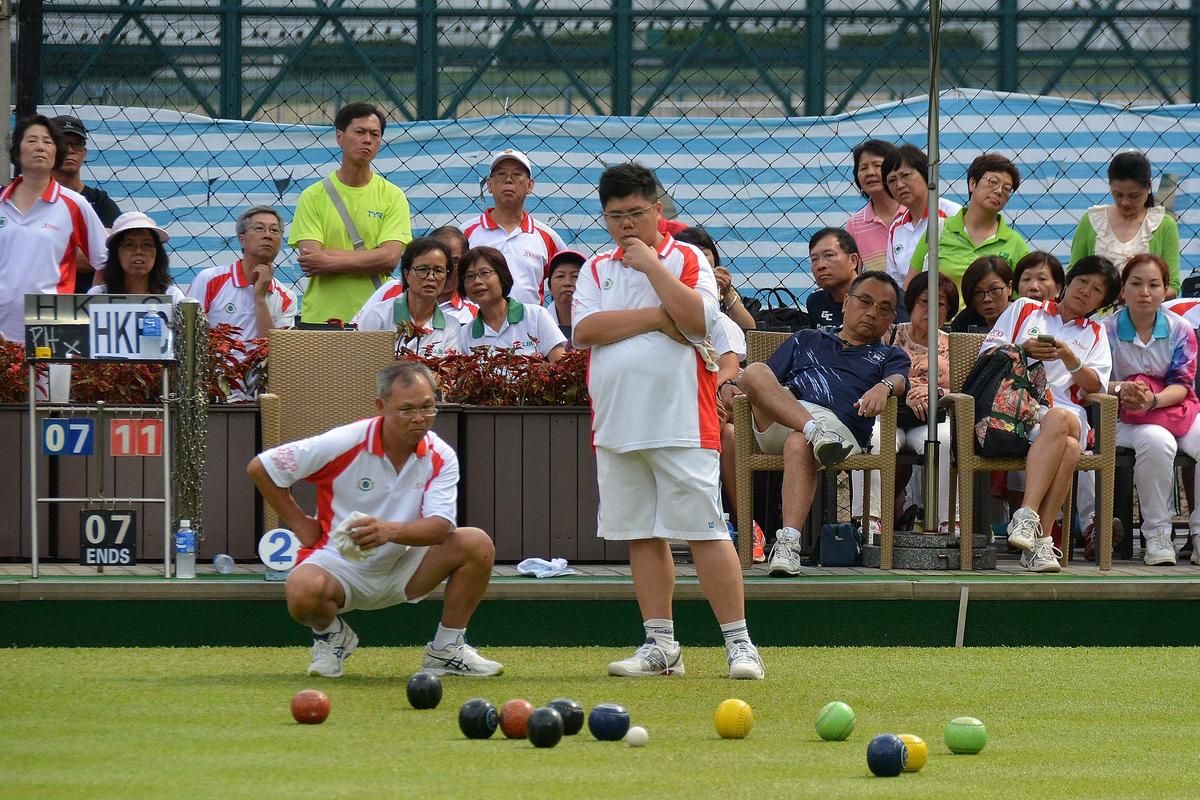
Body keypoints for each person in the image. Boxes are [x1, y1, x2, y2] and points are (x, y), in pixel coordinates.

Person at [573, 162, 765, 680]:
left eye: (637, 213)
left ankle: (740, 644)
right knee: (641, 533)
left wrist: (652, 268)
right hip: (617, 422)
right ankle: (661, 645)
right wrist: (660, 319)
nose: (626, 225)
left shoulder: (687, 258)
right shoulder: (595, 268)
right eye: (616, 216)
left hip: (682, 420)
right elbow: (585, 329)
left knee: (705, 531)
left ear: (657, 209)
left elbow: (698, 320)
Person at [247, 361, 503, 678]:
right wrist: (301, 524)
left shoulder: (441, 455)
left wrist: (388, 531)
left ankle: (446, 650)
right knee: (301, 591)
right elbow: (262, 468)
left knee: (476, 543)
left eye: (427, 407)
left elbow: (440, 528)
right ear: (381, 407)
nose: (419, 418)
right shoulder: (343, 442)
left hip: (404, 566)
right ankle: (331, 636)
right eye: (406, 410)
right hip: (336, 563)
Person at [739, 271, 911, 577]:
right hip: (789, 418)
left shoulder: (889, 355)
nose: (872, 312)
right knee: (753, 372)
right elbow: (764, 382)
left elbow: (900, 380)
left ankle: (788, 545)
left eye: (884, 308)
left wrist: (883, 386)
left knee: (798, 442)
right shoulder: (806, 338)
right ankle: (813, 430)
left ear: (891, 319)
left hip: (840, 428)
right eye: (865, 301)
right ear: (846, 302)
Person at [980, 255, 1119, 572]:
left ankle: (1025, 513)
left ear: (1103, 302)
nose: (1086, 291)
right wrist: (1023, 350)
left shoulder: (1095, 332)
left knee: (1058, 418)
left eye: (1097, 290)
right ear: (1068, 282)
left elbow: (1095, 386)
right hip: (1018, 410)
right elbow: (986, 352)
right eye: (1083, 281)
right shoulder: (1024, 309)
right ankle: (1041, 542)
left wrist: (1071, 358)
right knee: (1068, 446)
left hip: (1066, 412)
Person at [1102, 254, 1200, 566]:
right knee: (1157, 441)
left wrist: (1153, 401)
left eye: (1154, 285)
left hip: (1173, 409)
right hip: (1124, 417)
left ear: (1165, 290)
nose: (1145, 292)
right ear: (1123, 289)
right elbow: (1095, 381)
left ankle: (1198, 534)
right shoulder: (1106, 330)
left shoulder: (1180, 329)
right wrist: (1123, 390)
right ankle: (1158, 534)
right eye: (1136, 284)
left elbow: (1182, 384)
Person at [289, 102, 412, 327]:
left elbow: (390, 258)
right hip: (320, 318)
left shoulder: (393, 196)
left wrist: (326, 259)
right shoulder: (312, 196)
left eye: (375, 134)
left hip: (375, 317)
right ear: (340, 137)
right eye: (360, 132)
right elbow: (311, 259)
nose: (367, 140)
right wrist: (373, 259)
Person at [853, 272, 958, 535]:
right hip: (890, 415)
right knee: (872, 438)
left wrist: (935, 392)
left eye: (940, 304)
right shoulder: (888, 335)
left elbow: (963, 389)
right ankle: (869, 519)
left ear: (949, 311)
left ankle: (948, 521)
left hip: (931, 419)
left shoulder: (952, 344)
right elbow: (866, 375)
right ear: (911, 303)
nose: (930, 309)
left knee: (946, 440)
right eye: (924, 301)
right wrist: (905, 392)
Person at [0, 114, 107, 342]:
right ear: (17, 151)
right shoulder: (1, 201)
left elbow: (106, 261)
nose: (40, 147)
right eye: (32, 140)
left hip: (52, 335)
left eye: (47, 142)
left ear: (56, 152)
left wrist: (88, 306)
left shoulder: (74, 204)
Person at [908, 153, 1029, 292]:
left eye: (1007, 188)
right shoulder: (937, 231)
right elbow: (911, 289)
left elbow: (1021, 299)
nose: (999, 191)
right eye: (993, 182)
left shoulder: (1015, 243)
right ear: (972, 183)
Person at [1070, 151, 1180, 296]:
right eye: (1118, 194)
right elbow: (1072, 275)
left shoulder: (1163, 225)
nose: (1125, 202)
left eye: (1134, 195)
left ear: (1149, 187)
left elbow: (1172, 285)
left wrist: (1138, 297)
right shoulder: (1092, 220)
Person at [463, 149, 565, 305]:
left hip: (529, 320)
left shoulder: (547, 237)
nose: (508, 180)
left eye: (517, 174)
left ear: (530, 185)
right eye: (501, 174)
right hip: (477, 320)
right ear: (489, 184)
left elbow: (567, 277)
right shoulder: (466, 233)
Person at [186, 205, 296, 343]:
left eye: (274, 230)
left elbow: (278, 351)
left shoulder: (287, 298)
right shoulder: (209, 279)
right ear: (242, 239)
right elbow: (187, 335)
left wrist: (260, 299)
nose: (268, 235)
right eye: (259, 228)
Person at [353, 236, 463, 357]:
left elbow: (447, 368)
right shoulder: (378, 316)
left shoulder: (451, 326)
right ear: (406, 275)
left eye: (438, 271)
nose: (431, 277)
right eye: (422, 269)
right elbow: (360, 362)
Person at [51, 115, 122, 293]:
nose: (70, 150)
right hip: (41, 299)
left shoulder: (100, 202)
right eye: (63, 143)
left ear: (84, 153)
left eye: (77, 144)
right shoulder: (33, 200)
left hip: (88, 300)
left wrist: (47, 246)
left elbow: (106, 256)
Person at [458, 246, 566, 361]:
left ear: (502, 276)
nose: (477, 281)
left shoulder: (536, 316)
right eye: (469, 276)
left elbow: (560, 365)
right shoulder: (465, 334)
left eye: (485, 273)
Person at [882, 144, 960, 288]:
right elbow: (895, 282)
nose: (899, 185)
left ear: (926, 173)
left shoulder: (953, 214)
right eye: (892, 180)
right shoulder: (896, 227)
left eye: (906, 175)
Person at [87, 212, 184, 302]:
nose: (138, 252)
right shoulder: (98, 295)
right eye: (129, 245)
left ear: (157, 253)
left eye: (146, 245)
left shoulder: (173, 296)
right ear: (116, 253)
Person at [675, 226, 756, 331]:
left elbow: (749, 328)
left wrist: (728, 293)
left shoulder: (722, 288)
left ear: (714, 257)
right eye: (692, 254)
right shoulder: (672, 285)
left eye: (704, 254)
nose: (699, 259)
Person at [844, 139, 901, 273]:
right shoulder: (854, 225)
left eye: (877, 165)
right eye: (863, 168)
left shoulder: (914, 213)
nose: (870, 172)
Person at [805, 227, 862, 331]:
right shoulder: (816, 301)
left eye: (829, 255)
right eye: (814, 259)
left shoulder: (877, 298)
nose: (820, 266)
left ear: (853, 260)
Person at [950, 256, 1013, 332]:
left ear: (1009, 287)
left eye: (994, 290)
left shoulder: (1021, 316)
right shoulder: (964, 321)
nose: (987, 299)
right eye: (978, 293)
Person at [429, 225, 478, 324]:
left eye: (455, 262)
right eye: (439, 261)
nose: (448, 269)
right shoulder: (396, 291)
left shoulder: (475, 314)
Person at [546, 249, 586, 343]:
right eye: (560, 276)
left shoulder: (599, 323)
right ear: (550, 286)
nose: (567, 283)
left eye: (575, 276)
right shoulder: (538, 324)